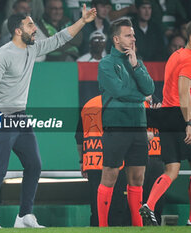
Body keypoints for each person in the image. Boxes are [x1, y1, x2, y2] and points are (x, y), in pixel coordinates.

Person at [0, 5, 97, 228]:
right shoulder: (2, 54)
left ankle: (24, 217)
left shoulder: (32, 48)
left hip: (20, 116)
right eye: (30, 25)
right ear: (17, 30)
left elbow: (60, 39)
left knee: (34, 165)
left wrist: (83, 21)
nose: (35, 28)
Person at [97, 18, 155, 227]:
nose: (133, 38)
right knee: (110, 175)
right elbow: (119, 91)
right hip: (116, 126)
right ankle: (103, 227)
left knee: (137, 178)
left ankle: (137, 226)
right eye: (128, 35)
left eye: (133, 35)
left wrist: (136, 65)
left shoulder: (136, 62)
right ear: (116, 39)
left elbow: (150, 89)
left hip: (139, 126)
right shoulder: (106, 64)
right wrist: (141, 97)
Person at [140, 21, 191, 227]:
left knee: (172, 170)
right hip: (182, 117)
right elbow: (183, 93)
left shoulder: (175, 55)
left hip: (167, 116)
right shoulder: (188, 60)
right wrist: (188, 122)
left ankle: (149, 205)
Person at [75, 95, 128, 226]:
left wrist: (82, 161)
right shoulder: (120, 104)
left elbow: (78, 138)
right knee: (117, 206)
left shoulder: (88, 104)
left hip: (93, 163)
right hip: (116, 164)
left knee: (96, 207)